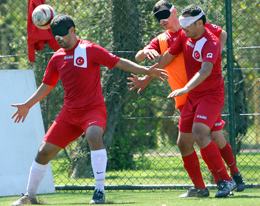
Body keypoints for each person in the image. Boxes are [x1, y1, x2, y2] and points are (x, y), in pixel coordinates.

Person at [10, 14, 168, 206]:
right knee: (43, 153)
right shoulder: (57, 58)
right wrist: (27, 104)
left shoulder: (90, 49)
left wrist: (145, 71)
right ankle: (29, 196)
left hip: (93, 110)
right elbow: (47, 85)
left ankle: (99, 191)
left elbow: (118, 61)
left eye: (62, 34)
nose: (59, 39)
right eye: (55, 35)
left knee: (94, 135)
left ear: (72, 30)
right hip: (69, 114)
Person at [129, 1, 245, 198]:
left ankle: (227, 180)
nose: (183, 29)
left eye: (187, 25)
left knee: (205, 135)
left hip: (210, 96)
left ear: (199, 24)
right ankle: (200, 188)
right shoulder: (183, 34)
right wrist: (147, 76)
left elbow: (206, 70)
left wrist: (186, 87)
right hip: (190, 96)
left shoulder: (211, 41)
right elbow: (166, 57)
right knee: (183, 142)